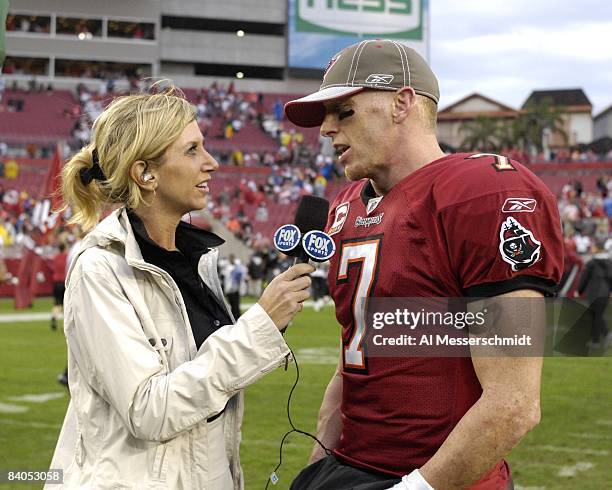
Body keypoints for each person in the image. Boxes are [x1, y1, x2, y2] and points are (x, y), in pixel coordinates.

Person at [284, 40, 564, 490]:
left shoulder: (480, 192)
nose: (326, 129)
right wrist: (319, 464)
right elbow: (350, 361)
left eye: (345, 111)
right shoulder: (346, 206)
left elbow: (513, 403)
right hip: (347, 468)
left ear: (402, 102)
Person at [46, 84, 314, 489]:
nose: (211, 164)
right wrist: (260, 325)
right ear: (145, 173)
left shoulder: (198, 261)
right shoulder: (99, 269)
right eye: (192, 151)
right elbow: (150, 410)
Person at [577, 240, 612, 349]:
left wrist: (579, 290)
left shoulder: (591, 263)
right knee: (597, 315)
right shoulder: (609, 263)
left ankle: (598, 339)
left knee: (596, 316)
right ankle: (601, 337)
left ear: (597, 248)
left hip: (594, 293)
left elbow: (584, 279)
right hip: (605, 293)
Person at [49, 242, 68, 330]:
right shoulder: (66, 257)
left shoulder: (55, 257)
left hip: (56, 281)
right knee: (66, 304)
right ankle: (65, 323)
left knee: (57, 303)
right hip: (64, 281)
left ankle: (54, 316)